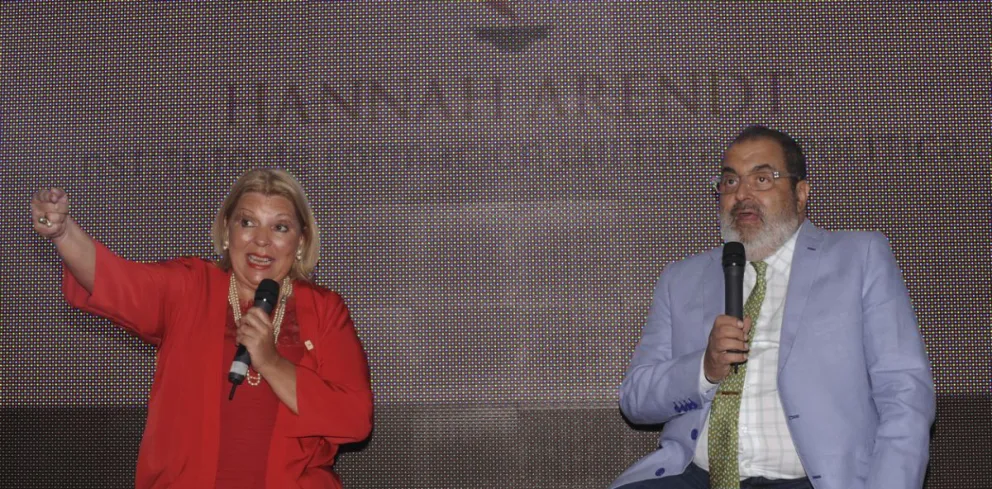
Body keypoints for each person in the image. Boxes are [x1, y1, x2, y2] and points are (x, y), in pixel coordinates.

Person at [611, 126, 935, 489]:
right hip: (695, 477)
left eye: (762, 179)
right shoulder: (681, 278)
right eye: (730, 182)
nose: (742, 194)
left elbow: (904, 392)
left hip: (810, 480)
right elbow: (636, 399)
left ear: (800, 193)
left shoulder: (859, 258)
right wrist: (704, 368)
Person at [30, 168, 373, 489]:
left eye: (280, 227)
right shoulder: (191, 288)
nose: (262, 241)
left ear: (301, 241)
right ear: (227, 231)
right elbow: (117, 281)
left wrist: (270, 361)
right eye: (248, 222)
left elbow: (354, 420)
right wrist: (63, 232)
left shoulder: (325, 310)